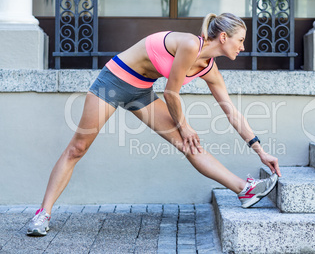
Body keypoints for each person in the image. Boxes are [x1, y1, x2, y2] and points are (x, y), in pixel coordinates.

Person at [27, 13, 281, 236]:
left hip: (141, 91)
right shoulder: (191, 44)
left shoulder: (209, 69)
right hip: (113, 81)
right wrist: (185, 125)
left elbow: (232, 112)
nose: (243, 47)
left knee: (188, 144)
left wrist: (260, 150)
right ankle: (43, 214)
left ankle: (244, 190)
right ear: (224, 37)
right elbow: (171, 92)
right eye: (241, 40)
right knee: (78, 148)